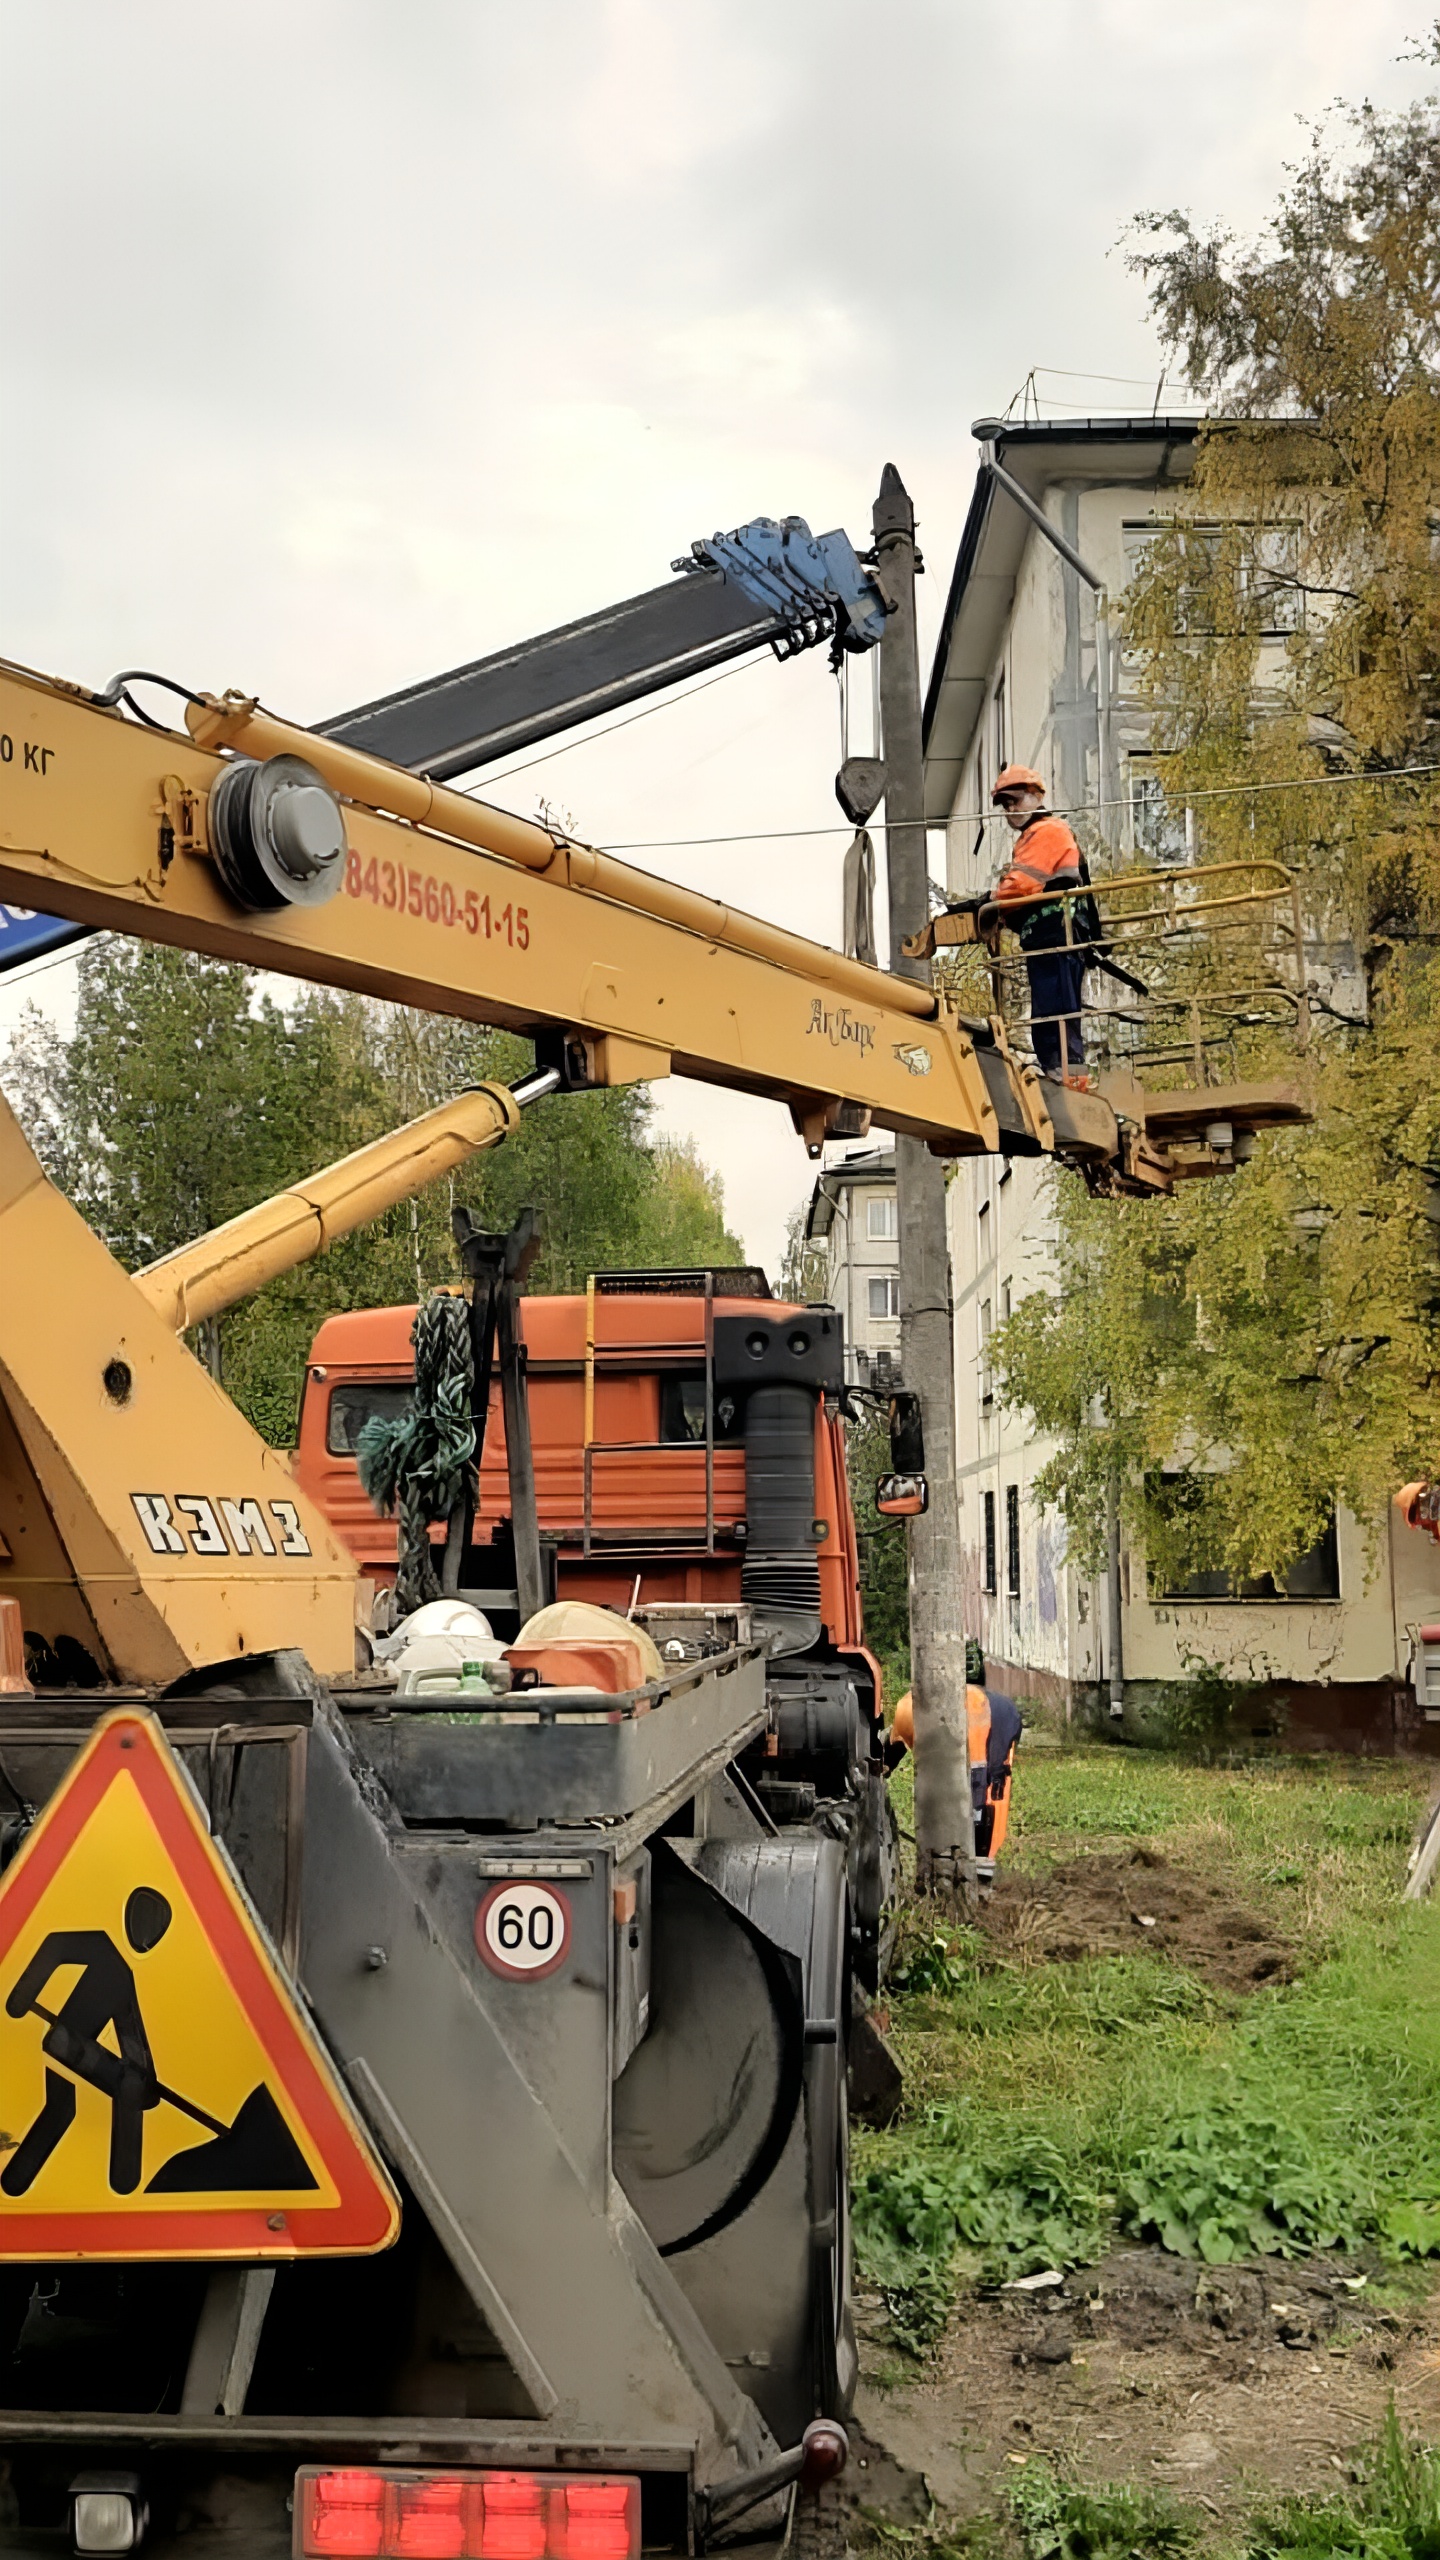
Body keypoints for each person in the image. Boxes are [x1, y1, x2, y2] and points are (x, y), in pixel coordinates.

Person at [984, 764, 1091, 1087]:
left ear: (1037, 796)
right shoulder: (1036, 836)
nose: (1010, 809)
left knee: (1055, 1008)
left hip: (1057, 932)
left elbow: (1020, 886)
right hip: (1048, 933)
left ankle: (1068, 1075)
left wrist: (991, 899)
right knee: (1050, 1008)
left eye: (1014, 800)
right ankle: (1061, 1071)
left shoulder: (1047, 831)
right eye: (1005, 805)